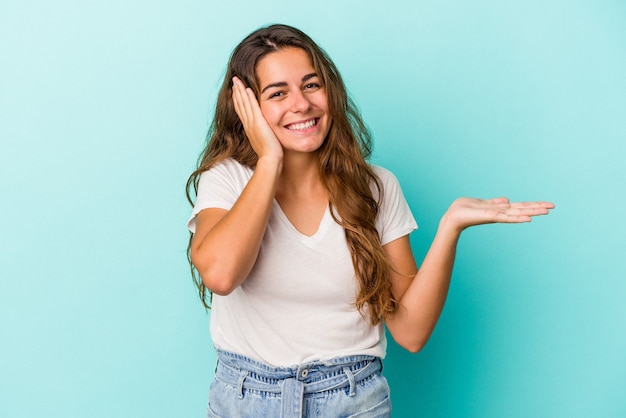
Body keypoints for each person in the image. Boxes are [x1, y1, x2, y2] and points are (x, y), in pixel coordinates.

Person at [186, 23, 553, 418]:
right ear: (247, 107)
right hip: (247, 398)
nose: (302, 104)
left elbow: (410, 333)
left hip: (353, 399)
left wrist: (451, 226)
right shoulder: (228, 179)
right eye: (278, 93)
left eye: (311, 85)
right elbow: (221, 276)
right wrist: (270, 161)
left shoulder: (377, 188)